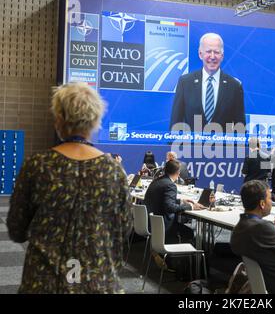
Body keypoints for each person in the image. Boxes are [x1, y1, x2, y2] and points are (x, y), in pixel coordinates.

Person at [7, 82, 132, 293]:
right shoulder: (114, 171)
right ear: (96, 120)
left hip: (43, 284)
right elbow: (123, 230)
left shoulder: (38, 165)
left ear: (59, 118)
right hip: (99, 283)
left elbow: (17, 230)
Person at [170, 33, 245, 132]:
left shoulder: (234, 86)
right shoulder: (185, 82)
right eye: (208, 51)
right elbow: (175, 123)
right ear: (200, 54)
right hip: (191, 147)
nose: (212, 56)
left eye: (217, 52)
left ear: (222, 56)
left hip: (223, 147)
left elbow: (240, 129)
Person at [144, 159, 204, 244]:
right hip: (164, 225)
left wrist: (181, 201)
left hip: (152, 223)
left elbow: (162, 200)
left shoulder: (156, 181)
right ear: (178, 173)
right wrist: (191, 207)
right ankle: (185, 255)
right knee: (189, 233)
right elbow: (169, 207)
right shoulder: (170, 185)